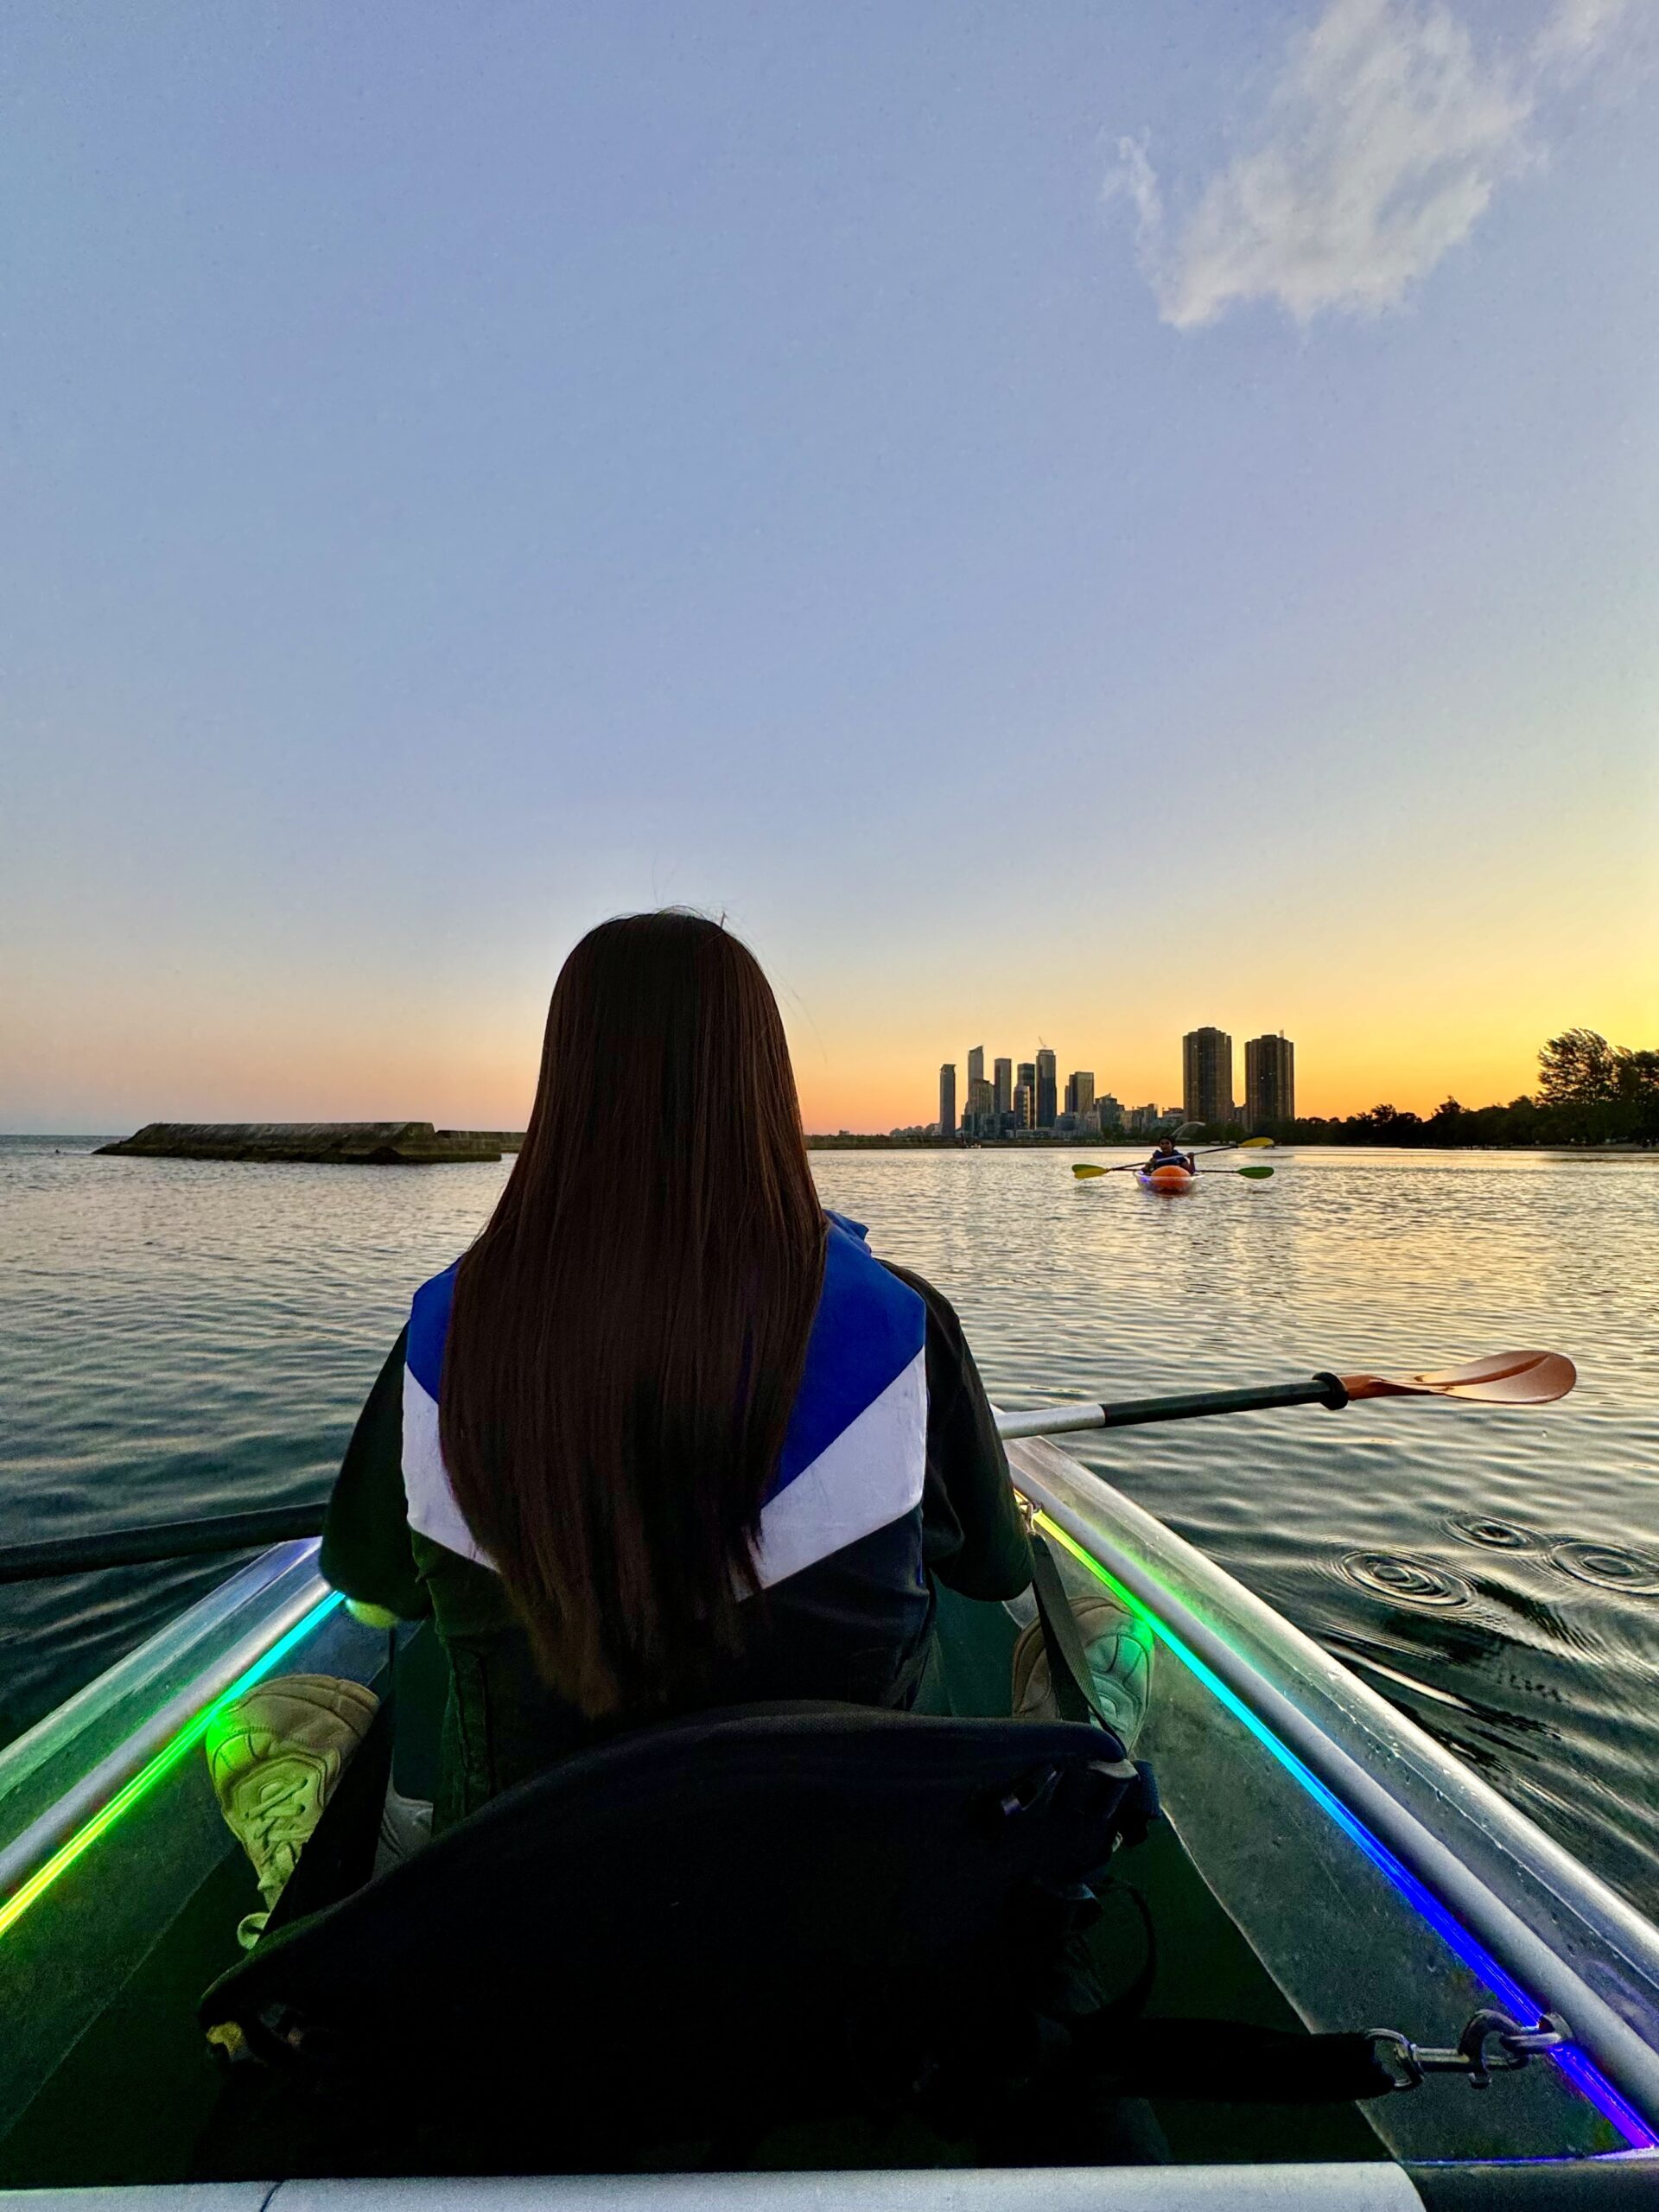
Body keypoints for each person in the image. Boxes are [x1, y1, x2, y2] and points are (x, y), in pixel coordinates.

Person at [208, 911, 1032, 1929]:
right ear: (764, 1087)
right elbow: (996, 1576)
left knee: (340, 1713)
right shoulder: (907, 1330)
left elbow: (373, 1597)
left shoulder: (443, 1334)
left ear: (565, 1091)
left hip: (520, 1943)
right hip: (850, 1936)